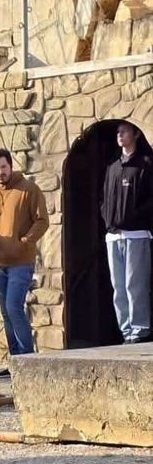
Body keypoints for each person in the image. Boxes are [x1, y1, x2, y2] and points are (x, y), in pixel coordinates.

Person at [0, 147, 48, 375]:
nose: (0, 172)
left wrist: (25, 240)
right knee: (5, 312)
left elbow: (42, 220)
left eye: (3, 167)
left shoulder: (29, 189)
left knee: (14, 307)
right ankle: (15, 360)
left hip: (21, 261)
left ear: (10, 166)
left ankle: (27, 358)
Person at [101, 120, 153, 344]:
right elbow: (103, 200)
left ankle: (140, 330)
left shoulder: (145, 164)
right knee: (119, 287)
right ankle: (126, 330)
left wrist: (133, 218)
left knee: (136, 284)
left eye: (124, 131)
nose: (120, 135)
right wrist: (108, 218)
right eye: (118, 132)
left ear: (136, 134)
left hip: (137, 234)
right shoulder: (112, 167)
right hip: (113, 236)